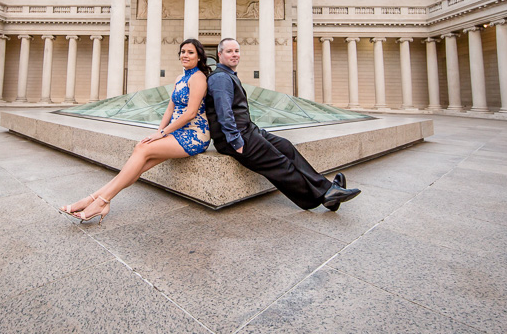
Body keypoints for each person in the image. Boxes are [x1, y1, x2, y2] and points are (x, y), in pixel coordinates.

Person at [60, 38, 211, 224]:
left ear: (199, 57)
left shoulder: (199, 78)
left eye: (190, 52)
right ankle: (93, 200)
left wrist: (162, 135)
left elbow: (190, 113)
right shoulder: (180, 78)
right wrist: (159, 131)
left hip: (194, 135)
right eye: (182, 52)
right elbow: (169, 109)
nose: (185, 55)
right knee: (134, 168)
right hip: (175, 133)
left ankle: (100, 201)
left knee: (142, 148)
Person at [205, 38, 361, 211]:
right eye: (229, 51)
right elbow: (223, 111)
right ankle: (323, 194)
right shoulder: (220, 78)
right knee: (279, 163)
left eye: (237, 51)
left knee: (286, 147)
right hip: (236, 137)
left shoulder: (228, 76)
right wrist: (235, 141)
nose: (234, 55)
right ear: (220, 54)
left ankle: (327, 191)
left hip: (248, 129)